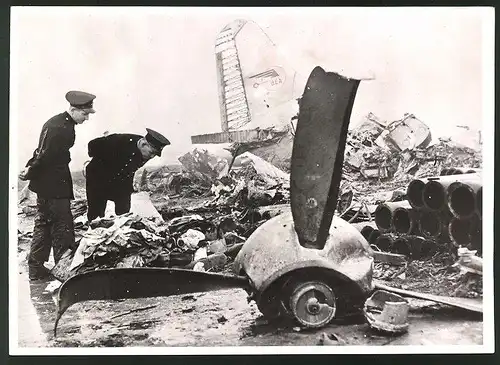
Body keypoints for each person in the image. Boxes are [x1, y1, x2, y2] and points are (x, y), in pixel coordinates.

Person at [19, 90, 96, 280]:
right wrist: (30, 170)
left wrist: (30, 168)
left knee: (43, 225)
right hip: (55, 186)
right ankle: (64, 272)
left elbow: (41, 152)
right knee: (62, 228)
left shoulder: (56, 122)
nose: (86, 118)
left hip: (47, 185)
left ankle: (36, 270)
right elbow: (45, 156)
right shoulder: (62, 128)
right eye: (85, 114)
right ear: (73, 109)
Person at [85, 128, 170, 221]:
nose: (152, 157)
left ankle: (122, 231)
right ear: (143, 144)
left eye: (154, 154)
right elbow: (92, 144)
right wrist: (96, 158)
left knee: (124, 212)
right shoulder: (119, 140)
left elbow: (130, 168)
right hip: (98, 176)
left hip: (121, 179)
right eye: (151, 153)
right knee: (96, 212)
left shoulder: (145, 152)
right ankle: (94, 231)